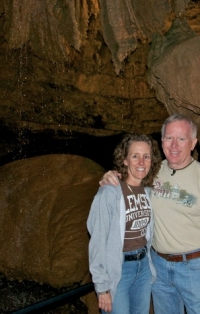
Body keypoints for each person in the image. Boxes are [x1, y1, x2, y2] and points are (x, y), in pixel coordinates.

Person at [99, 114, 200, 314]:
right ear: (161, 141)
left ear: (193, 143)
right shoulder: (151, 172)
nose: (174, 145)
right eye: (169, 138)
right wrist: (110, 176)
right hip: (158, 267)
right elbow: (127, 179)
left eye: (181, 139)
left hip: (195, 268)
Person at [87, 133, 162, 314]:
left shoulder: (149, 191)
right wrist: (102, 287)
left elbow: (182, 197)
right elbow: (97, 241)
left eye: (146, 156)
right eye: (135, 156)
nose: (141, 162)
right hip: (118, 269)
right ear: (125, 160)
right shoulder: (109, 193)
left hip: (143, 267)